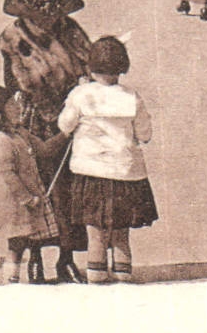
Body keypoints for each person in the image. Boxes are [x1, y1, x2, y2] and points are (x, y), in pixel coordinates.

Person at [0, 0, 92, 283]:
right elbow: (12, 82)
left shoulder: (71, 30)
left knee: (70, 192)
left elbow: (88, 66)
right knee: (36, 192)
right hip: (33, 120)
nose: (48, 20)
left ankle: (66, 258)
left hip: (72, 116)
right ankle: (35, 257)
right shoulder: (13, 39)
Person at [58, 37, 157, 284]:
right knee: (121, 234)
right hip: (125, 173)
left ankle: (97, 276)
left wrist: (79, 94)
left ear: (91, 66)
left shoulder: (81, 94)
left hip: (90, 172)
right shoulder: (132, 96)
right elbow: (145, 134)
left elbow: (65, 125)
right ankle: (123, 275)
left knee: (96, 235)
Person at [0, 86, 60, 285]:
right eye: (12, 105)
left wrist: (67, 134)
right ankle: (11, 283)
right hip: (17, 206)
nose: (18, 107)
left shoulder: (18, 132)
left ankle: (18, 279)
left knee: (22, 244)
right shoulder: (1, 140)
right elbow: (8, 176)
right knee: (16, 246)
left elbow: (45, 150)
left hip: (26, 205)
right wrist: (27, 199)